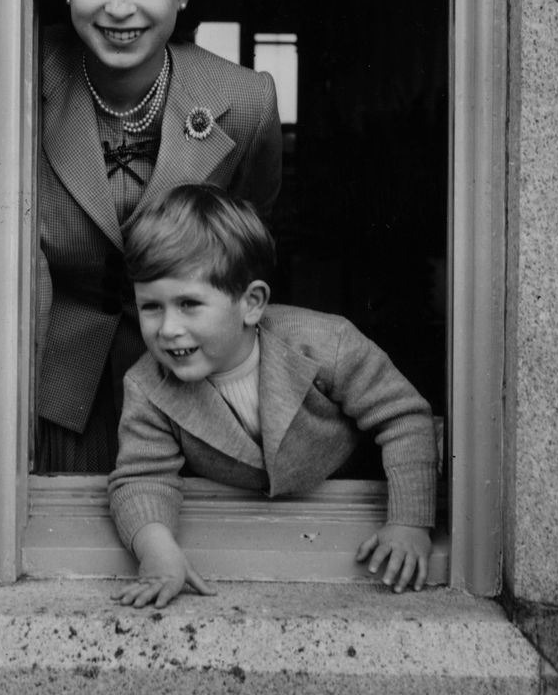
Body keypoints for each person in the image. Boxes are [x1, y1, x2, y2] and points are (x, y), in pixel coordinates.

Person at [35, 0, 283, 472]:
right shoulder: (22, 77)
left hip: (193, 393)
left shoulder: (246, 102)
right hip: (49, 393)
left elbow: (245, 248)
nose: (119, 6)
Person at [108, 184, 438, 607]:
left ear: (252, 303)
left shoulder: (326, 343)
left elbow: (404, 418)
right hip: (251, 529)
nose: (168, 328)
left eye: (189, 304)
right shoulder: (147, 384)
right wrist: (158, 553)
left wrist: (410, 523)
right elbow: (142, 477)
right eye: (151, 307)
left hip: (350, 511)